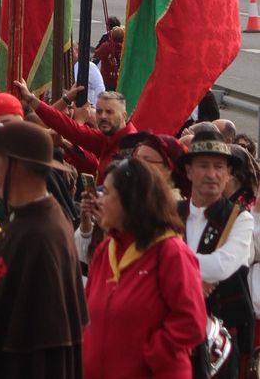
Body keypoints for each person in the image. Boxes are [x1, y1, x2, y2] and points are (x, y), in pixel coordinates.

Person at [0, 118, 86, 379]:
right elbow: (12, 281)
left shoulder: (42, 234)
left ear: (15, 166)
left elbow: (37, 338)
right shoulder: (25, 219)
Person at [83, 156, 206, 379]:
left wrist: (152, 355)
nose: (99, 200)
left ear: (131, 201)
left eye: (107, 193)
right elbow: (86, 313)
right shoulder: (105, 250)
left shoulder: (171, 253)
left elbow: (192, 321)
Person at [177, 124, 255, 374]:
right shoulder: (171, 213)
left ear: (229, 173)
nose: (212, 174)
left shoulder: (240, 219)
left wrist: (169, 266)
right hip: (173, 332)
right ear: (188, 171)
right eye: (203, 165)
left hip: (218, 342)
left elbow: (221, 265)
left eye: (219, 166)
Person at [15, 77, 134, 182]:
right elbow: (70, 128)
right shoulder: (105, 137)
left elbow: (91, 165)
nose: (103, 116)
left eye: (109, 112)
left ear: (124, 116)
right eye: (99, 111)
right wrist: (31, 98)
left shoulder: (134, 147)